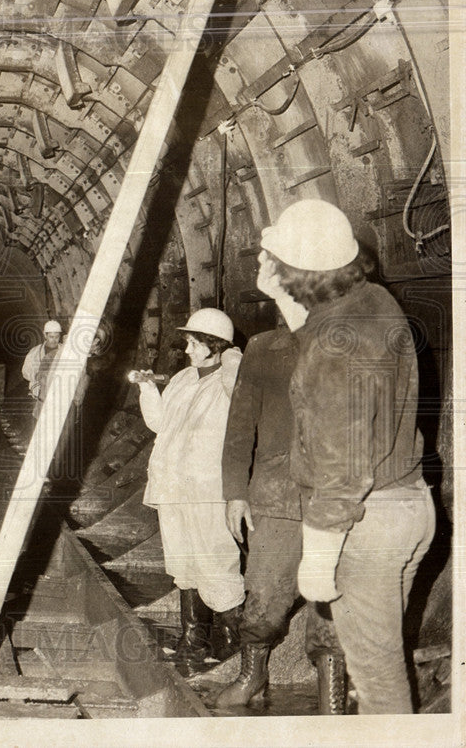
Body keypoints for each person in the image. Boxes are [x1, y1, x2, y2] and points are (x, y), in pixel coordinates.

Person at [256, 199, 434, 714]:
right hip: (408, 508)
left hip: (364, 523)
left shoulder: (337, 350)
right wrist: (283, 298)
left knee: (378, 682)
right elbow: (320, 335)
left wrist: (319, 555)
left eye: (277, 266)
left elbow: (342, 468)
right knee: (378, 665)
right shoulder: (374, 301)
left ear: (297, 271)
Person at [212, 323, 347, 713]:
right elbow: (239, 425)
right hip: (276, 493)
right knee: (265, 594)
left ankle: (332, 701)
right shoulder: (262, 347)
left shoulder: (347, 336)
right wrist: (235, 493)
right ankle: (251, 676)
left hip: (335, 496)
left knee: (332, 598)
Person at [128, 308, 244, 673]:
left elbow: (243, 399)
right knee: (183, 564)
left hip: (208, 488)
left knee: (216, 563)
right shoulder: (181, 378)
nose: (186, 348)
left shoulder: (230, 380)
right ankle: (194, 641)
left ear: (214, 345)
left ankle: (232, 646)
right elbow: (159, 422)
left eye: (194, 342)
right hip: (173, 485)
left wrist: (231, 356)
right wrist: (148, 387)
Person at [21, 320, 63, 418]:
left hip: (58, 395)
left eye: (57, 337)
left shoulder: (64, 351)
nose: (54, 340)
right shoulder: (35, 352)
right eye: (51, 337)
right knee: (38, 420)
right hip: (38, 394)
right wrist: (35, 375)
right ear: (45, 335)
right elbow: (25, 372)